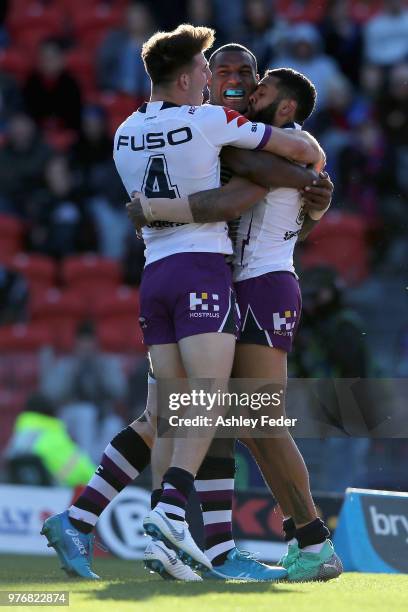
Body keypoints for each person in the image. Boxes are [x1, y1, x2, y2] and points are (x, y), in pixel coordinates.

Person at [41, 27, 325, 581]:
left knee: (174, 413)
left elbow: (277, 177)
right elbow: (291, 161)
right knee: (210, 407)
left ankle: (99, 521)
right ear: (194, 77)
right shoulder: (212, 123)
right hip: (206, 273)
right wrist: (305, 176)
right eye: (217, 69)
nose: (236, 81)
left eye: (250, 74)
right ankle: (188, 522)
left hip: (163, 272)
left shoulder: (124, 131)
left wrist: (156, 210)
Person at [129, 61, 342, 582]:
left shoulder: (289, 142)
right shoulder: (253, 144)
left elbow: (247, 185)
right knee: (243, 424)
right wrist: (313, 196)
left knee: (263, 422)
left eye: (262, 87)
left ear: (285, 107)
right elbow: (279, 199)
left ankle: (313, 541)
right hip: (244, 283)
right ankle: (289, 538)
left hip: (263, 286)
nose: (252, 91)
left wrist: (154, 208)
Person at [41, 320, 126, 462]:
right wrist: (72, 372)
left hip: (102, 415)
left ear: (95, 343)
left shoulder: (106, 363)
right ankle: (85, 464)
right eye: (82, 342)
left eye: (89, 342)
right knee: (86, 413)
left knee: (114, 424)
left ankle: (101, 471)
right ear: (76, 343)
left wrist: (103, 372)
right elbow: (51, 394)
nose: (86, 346)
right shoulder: (67, 364)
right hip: (71, 415)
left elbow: (120, 391)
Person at [5, 392, 95, 487]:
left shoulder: (21, 435)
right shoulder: (55, 436)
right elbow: (90, 476)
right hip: (59, 493)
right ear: (52, 413)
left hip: (21, 494)